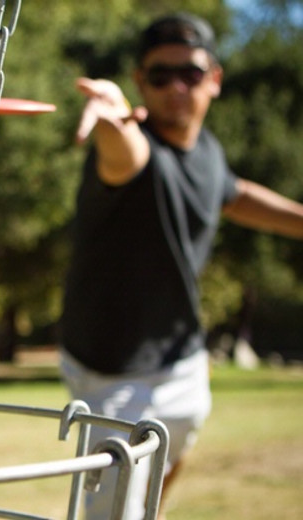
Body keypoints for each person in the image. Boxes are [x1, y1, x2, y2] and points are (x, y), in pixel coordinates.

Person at [60, 12, 303, 520]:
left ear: (214, 79)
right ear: (139, 84)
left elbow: (234, 195)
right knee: (111, 514)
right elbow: (123, 156)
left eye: (190, 74)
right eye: (160, 75)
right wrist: (111, 116)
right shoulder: (135, 145)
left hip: (184, 356)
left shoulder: (208, 154)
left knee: (178, 443)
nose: (176, 87)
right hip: (113, 372)